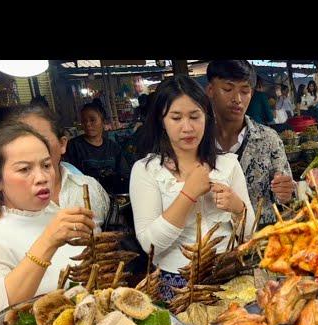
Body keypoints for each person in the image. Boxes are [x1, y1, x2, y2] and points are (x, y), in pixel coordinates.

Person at [130, 75, 255, 301]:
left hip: (230, 278)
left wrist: (238, 207)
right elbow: (150, 246)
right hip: (176, 285)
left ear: (206, 118)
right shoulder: (146, 171)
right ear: (161, 121)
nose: (187, 127)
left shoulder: (228, 164)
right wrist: (188, 193)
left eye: (195, 116)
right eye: (176, 118)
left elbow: (250, 233)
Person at [0, 122, 95, 325]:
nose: (42, 178)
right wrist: (48, 241)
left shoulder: (59, 215)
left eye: (46, 165)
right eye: (24, 169)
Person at [206, 60, 294, 226]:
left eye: (245, 91)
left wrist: (286, 192)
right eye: (227, 89)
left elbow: (285, 199)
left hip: (262, 239)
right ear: (210, 90)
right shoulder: (198, 139)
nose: (237, 99)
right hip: (215, 243)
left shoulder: (269, 139)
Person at [64, 102, 129, 194]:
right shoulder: (73, 146)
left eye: (92, 120)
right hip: (86, 196)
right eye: (84, 121)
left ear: (103, 121)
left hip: (114, 195)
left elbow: (124, 173)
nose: (88, 124)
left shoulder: (113, 147)